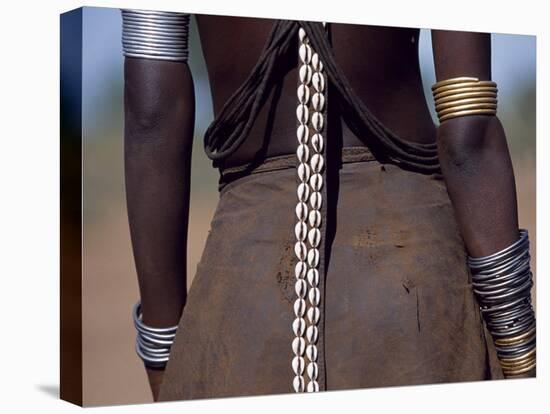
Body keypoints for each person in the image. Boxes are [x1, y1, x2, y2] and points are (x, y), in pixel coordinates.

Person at [121, 10, 536, 402]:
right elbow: (468, 137)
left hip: (242, 300)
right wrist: (519, 351)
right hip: (413, 288)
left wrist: (168, 369)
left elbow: (151, 117)